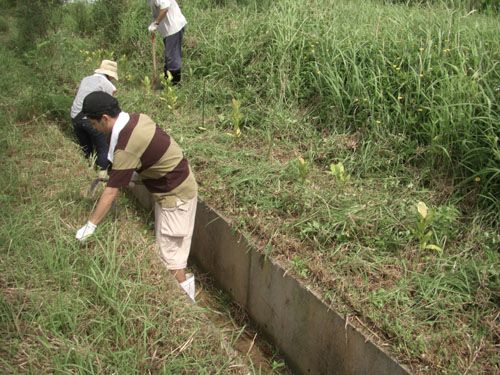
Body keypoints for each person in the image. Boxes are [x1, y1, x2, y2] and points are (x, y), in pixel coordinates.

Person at [75, 91, 198, 301]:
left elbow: (111, 190)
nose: (94, 128)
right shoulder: (138, 119)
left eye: (94, 124)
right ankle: (185, 303)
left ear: (104, 118)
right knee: (169, 251)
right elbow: (153, 153)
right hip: (174, 187)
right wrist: (131, 173)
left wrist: (91, 225)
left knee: (171, 260)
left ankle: (187, 308)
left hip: (175, 198)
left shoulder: (126, 146)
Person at [70, 60, 118, 176]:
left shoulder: (85, 79)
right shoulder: (106, 85)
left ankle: (87, 172)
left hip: (75, 117)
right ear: (110, 76)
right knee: (102, 148)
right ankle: (102, 176)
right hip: (90, 120)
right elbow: (107, 106)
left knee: (86, 148)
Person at [147, 0, 186, 85]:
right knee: (169, 55)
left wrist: (156, 23)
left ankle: (174, 84)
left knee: (172, 56)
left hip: (174, 28)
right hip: (168, 30)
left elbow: (165, 8)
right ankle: (167, 82)